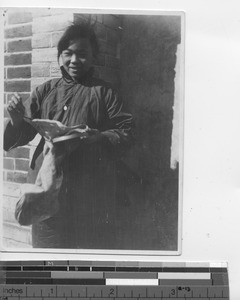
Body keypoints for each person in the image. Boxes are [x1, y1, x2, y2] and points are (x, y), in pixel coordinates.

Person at [4, 22, 133, 249]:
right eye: (68, 53)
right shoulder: (45, 90)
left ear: (93, 57)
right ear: (60, 56)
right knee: (47, 251)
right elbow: (22, 132)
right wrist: (16, 120)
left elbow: (126, 131)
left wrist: (99, 138)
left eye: (82, 54)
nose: (74, 60)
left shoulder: (105, 93)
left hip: (87, 189)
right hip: (46, 187)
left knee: (82, 251)